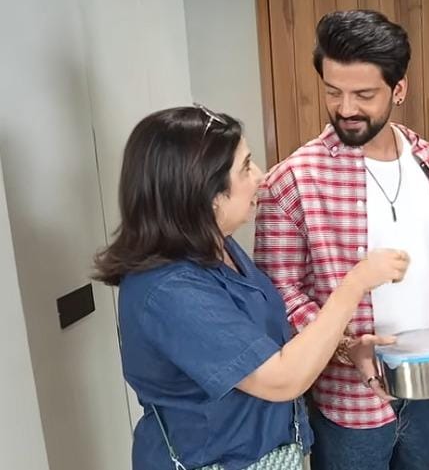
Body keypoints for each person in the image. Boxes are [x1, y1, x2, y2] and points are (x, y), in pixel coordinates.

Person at [254, 10, 429, 470]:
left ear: (399, 89)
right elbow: (279, 292)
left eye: (364, 94)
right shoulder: (294, 179)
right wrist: (345, 345)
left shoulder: (427, 160)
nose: (345, 108)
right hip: (348, 403)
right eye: (333, 91)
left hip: (424, 385)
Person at [92, 105, 411, 470]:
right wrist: (355, 284)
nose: (261, 176)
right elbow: (281, 378)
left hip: (272, 453)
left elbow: (258, 338)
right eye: (245, 167)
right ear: (207, 192)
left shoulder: (220, 247)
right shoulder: (169, 291)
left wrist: (343, 347)